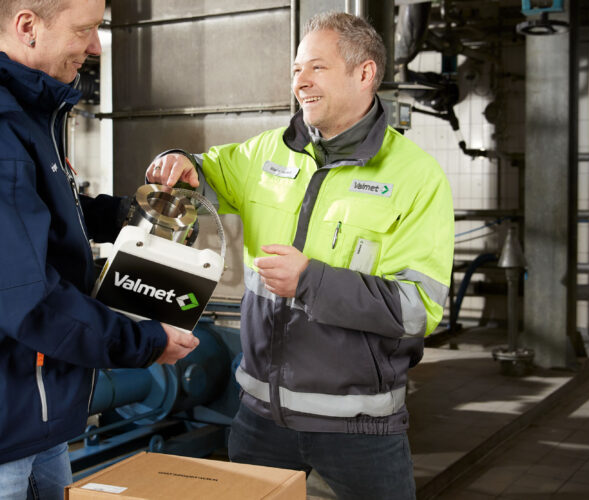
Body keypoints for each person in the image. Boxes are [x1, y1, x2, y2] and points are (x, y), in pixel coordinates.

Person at [0, 1, 199, 498]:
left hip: (32, 404)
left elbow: (32, 208)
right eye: (85, 30)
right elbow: (24, 296)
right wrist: (143, 341)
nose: (95, 47)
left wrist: (127, 215)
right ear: (27, 26)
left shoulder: (19, 105)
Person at [146, 11, 454, 500]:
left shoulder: (416, 177)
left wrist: (311, 281)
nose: (300, 82)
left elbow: (419, 308)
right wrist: (182, 164)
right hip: (259, 417)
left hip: (359, 428)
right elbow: (206, 172)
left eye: (316, 68)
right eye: (296, 70)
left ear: (365, 73)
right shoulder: (268, 152)